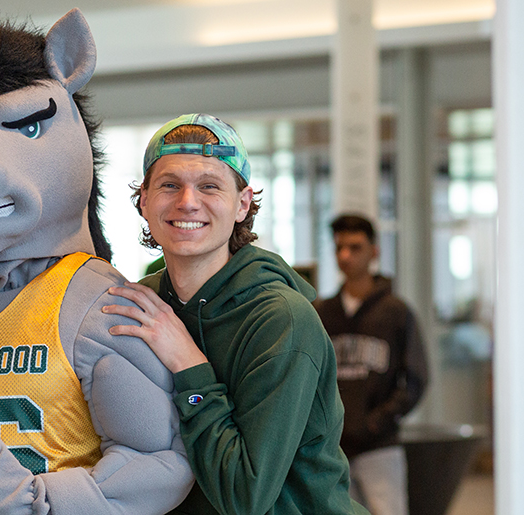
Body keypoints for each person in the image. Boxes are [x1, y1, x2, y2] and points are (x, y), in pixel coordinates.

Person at [101, 114, 368, 514]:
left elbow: (246, 496)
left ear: (242, 204)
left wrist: (188, 364)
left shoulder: (281, 320)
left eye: (209, 186)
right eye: (169, 185)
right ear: (144, 200)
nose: (187, 201)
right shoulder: (143, 304)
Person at [313, 214, 428, 515]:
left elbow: (416, 378)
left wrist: (377, 421)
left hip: (380, 446)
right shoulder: (321, 313)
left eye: (355, 247)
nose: (345, 256)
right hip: (331, 450)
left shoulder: (396, 312)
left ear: (374, 251)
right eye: (339, 248)